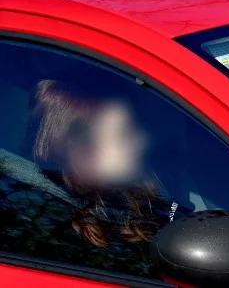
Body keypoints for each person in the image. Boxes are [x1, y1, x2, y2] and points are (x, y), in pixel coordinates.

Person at [0, 80, 179, 275]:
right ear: (79, 151)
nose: (141, 140)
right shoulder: (63, 225)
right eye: (123, 134)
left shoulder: (138, 190)